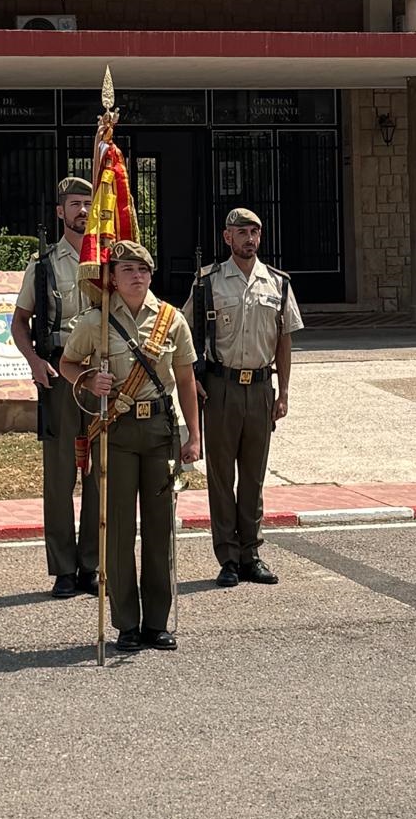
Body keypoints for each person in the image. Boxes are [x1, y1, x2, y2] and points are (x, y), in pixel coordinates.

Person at [58, 240, 201, 653]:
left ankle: (156, 622)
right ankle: (126, 623)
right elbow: (68, 364)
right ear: (113, 278)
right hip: (114, 432)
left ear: (151, 275)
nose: (136, 276)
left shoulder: (171, 320)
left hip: (158, 430)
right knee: (118, 531)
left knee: (159, 530)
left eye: (142, 269)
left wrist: (194, 435)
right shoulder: (95, 322)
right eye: (126, 270)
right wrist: (86, 380)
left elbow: (187, 380)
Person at [189, 207, 303, 589]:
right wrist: (193, 379)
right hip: (220, 387)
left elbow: (284, 340)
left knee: (253, 476)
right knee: (221, 476)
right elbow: (185, 336)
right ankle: (228, 557)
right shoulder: (207, 282)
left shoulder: (278, 283)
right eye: (242, 232)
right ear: (227, 238)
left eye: (255, 232)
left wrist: (283, 392)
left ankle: (251, 553)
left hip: (259, 387)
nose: (249, 239)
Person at [11, 175, 98, 599]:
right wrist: (34, 362)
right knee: (61, 475)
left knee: (100, 471)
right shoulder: (42, 265)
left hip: (101, 377)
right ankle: (64, 568)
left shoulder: (108, 259)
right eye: (75, 204)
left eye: (88, 203)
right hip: (60, 375)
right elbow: (19, 322)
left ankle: (92, 564)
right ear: (60, 211)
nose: (82, 210)